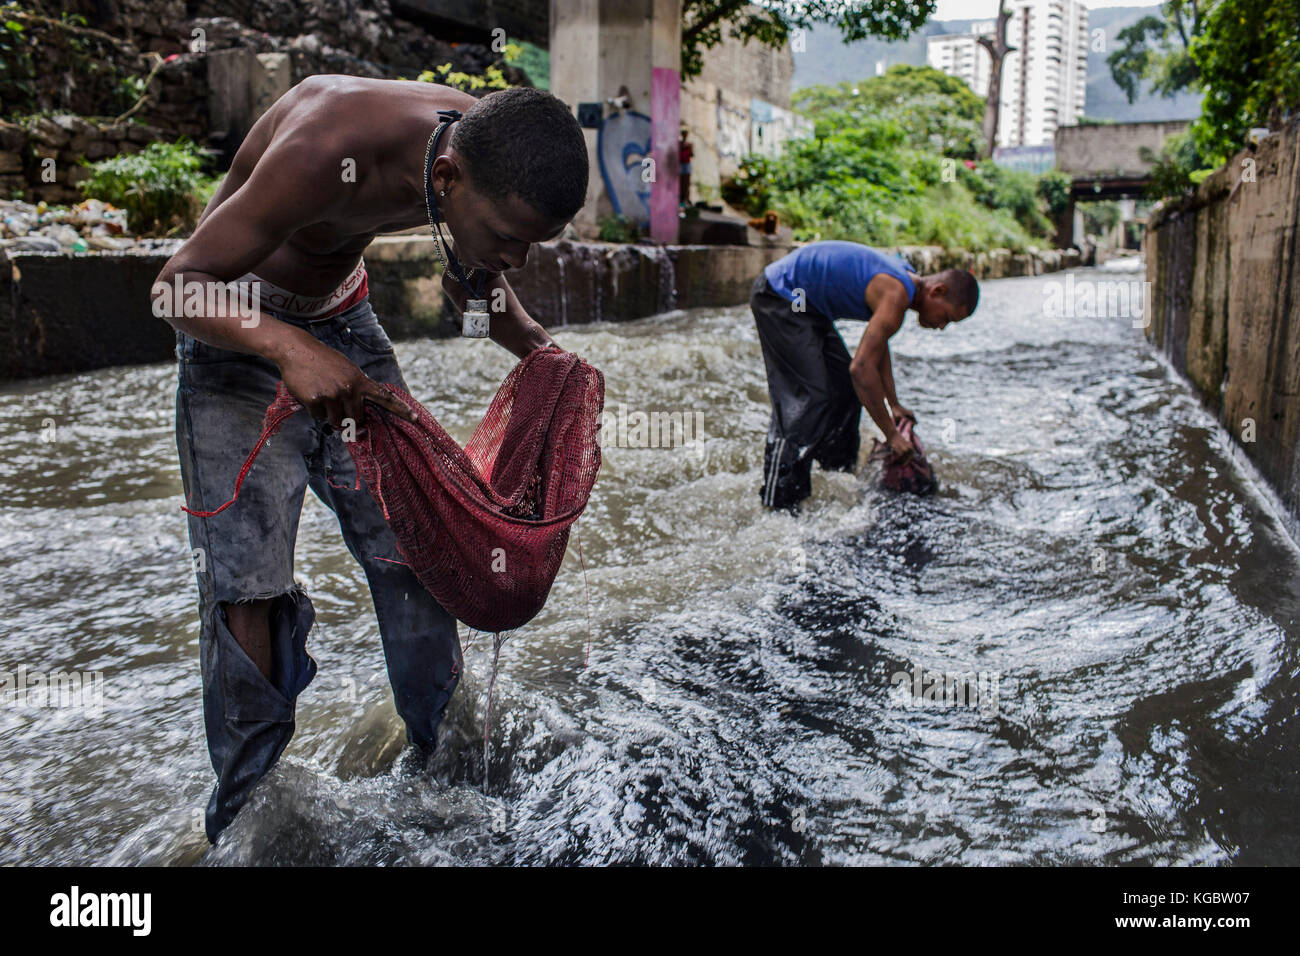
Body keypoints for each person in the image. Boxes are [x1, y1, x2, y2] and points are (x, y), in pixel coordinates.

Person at [154, 77, 589, 842]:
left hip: (344, 315)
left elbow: (480, 284)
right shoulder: (328, 148)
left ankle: (446, 771)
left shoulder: (480, 146)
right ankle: (250, 822)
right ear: (447, 180)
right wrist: (289, 349)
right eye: (509, 238)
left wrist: (544, 357)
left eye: (531, 244)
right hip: (238, 319)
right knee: (248, 590)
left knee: (416, 549)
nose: (515, 260)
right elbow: (175, 288)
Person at [750, 240, 979, 511]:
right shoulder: (897, 293)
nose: (941, 326)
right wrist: (891, 435)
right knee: (808, 398)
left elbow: (878, 350)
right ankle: (778, 502)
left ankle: (835, 474)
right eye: (947, 318)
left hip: (808, 308)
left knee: (846, 392)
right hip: (780, 294)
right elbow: (861, 368)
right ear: (937, 291)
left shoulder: (904, 283)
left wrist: (893, 404)